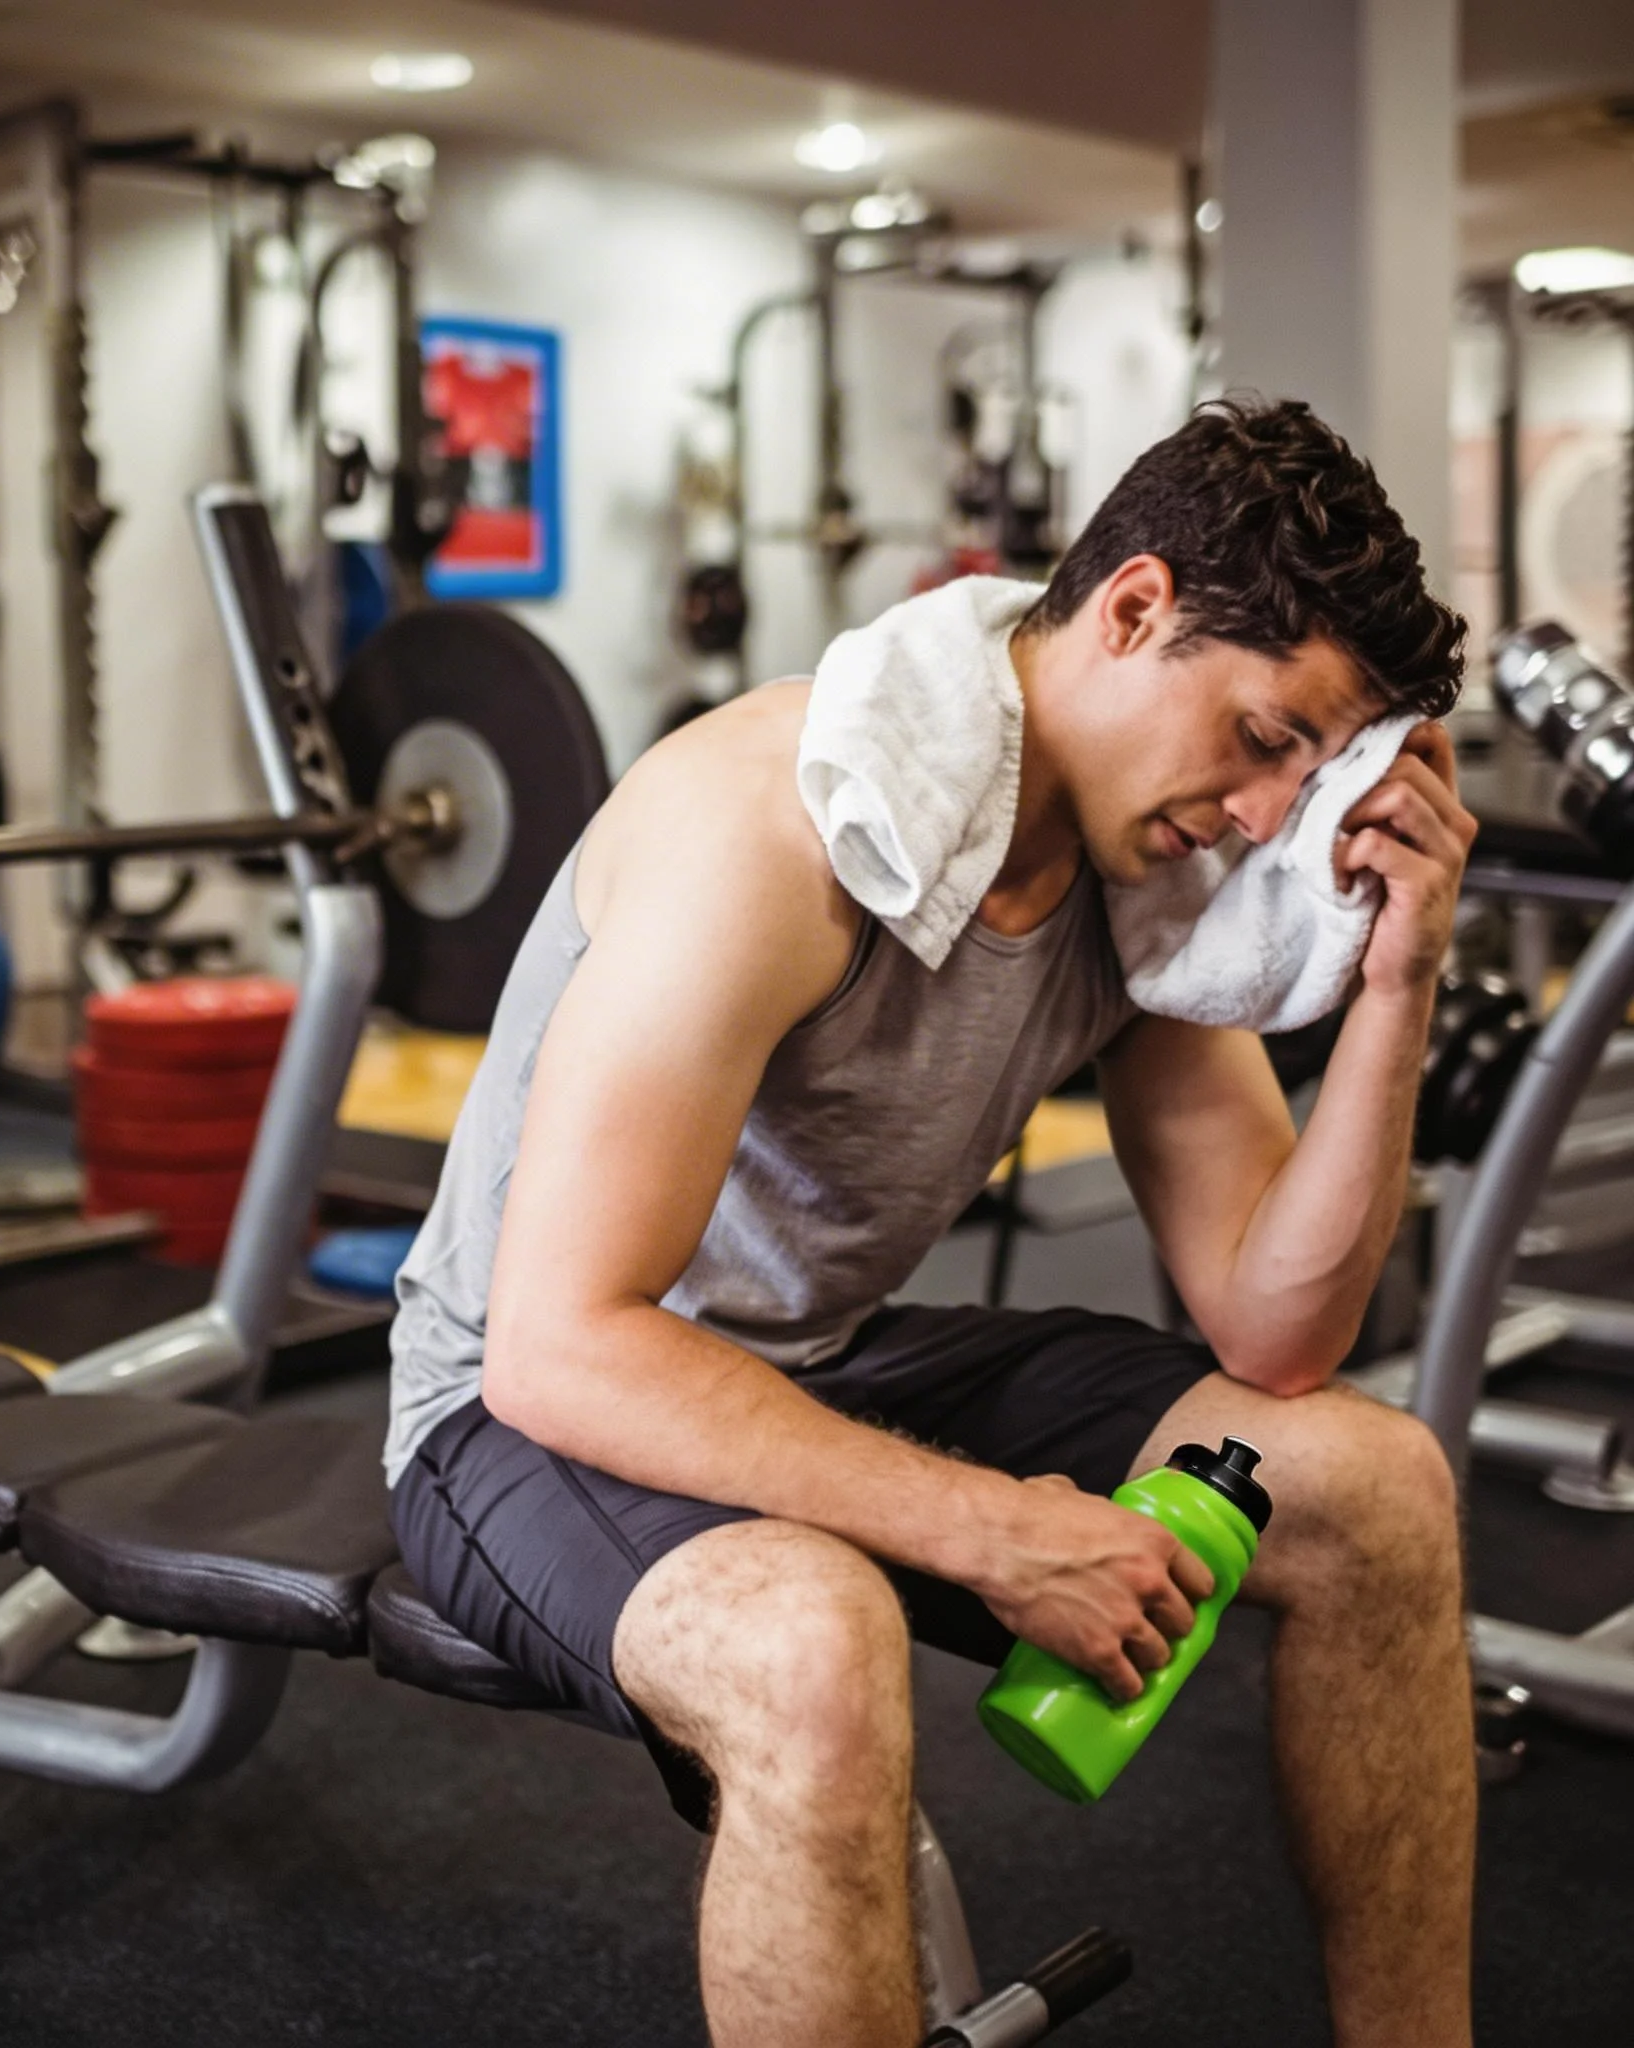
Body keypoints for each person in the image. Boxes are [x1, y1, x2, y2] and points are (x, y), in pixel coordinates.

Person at [386, 396, 1478, 2048]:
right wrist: (984, 1528)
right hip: (516, 1408)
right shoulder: (772, 820)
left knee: (1373, 1488)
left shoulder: (1139, 879)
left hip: (815, 1356)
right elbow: (561, 1343)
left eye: (1310, 774)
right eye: (1263, 737)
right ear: (1130, 609)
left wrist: (1395, 976)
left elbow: (1276, 1328)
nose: (1269, 816)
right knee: (810, 1642)